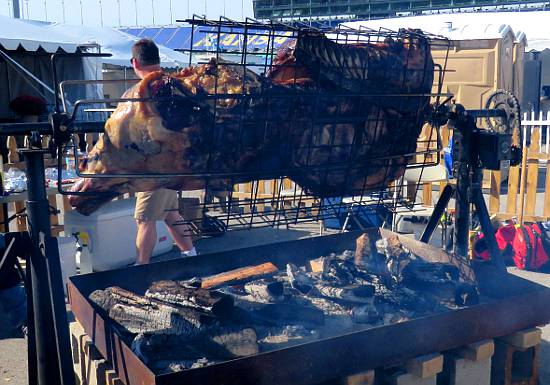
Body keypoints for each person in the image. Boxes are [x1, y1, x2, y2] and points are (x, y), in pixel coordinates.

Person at [129, 39, 196, 264]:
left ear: (134, 62)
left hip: (155, 166)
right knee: (170, 214)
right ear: (157, 59)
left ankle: (141, 267)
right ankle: (191, 256)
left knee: (144, 219)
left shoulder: (142, 90)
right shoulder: (175, 83)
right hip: (176, 161)